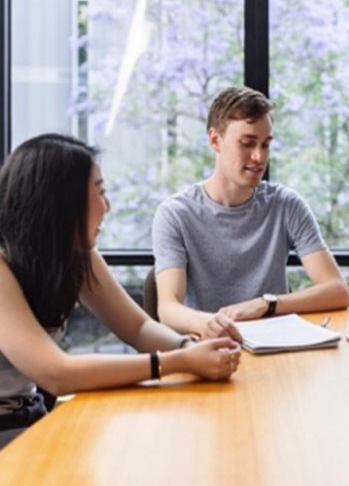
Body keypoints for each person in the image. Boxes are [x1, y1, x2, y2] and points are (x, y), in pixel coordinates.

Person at [0, 134, 240, 449]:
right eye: (100, 191)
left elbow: (137, 327)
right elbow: (56, 373)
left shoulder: (73, 253)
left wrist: (188, 346)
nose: (108, 206)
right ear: (61, 201)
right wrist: (180, 361)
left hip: (31, 419)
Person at [152, 86, 349, 339]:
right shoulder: (175, 214)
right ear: (215, 140)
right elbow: (168, 308)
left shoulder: (286, 205)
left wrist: (266, 304)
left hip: (276, 349)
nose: (259, 156)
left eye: (265, 145)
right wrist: (219, 324)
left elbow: (336, 289)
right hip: (211, 348)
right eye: (247, 143)